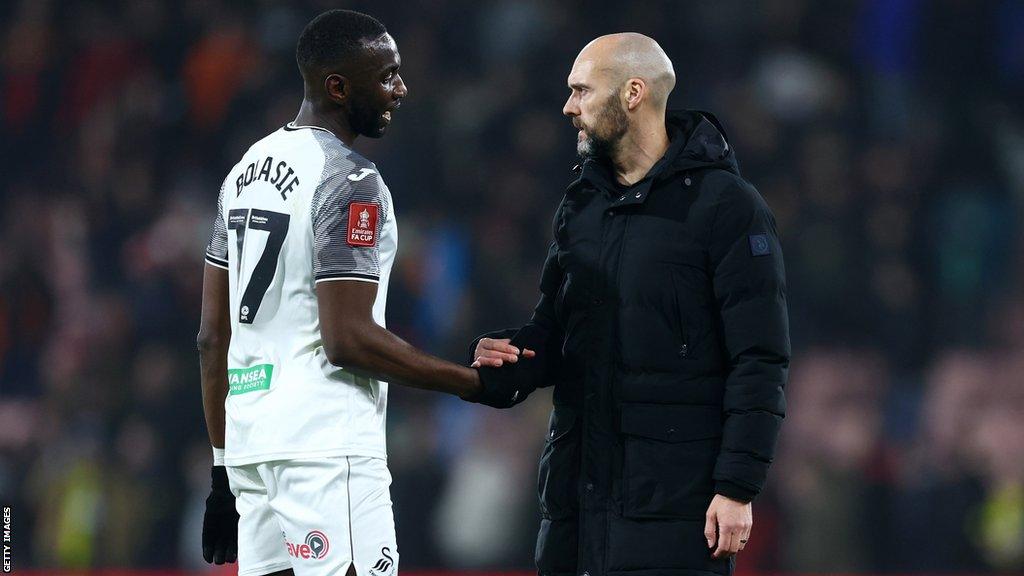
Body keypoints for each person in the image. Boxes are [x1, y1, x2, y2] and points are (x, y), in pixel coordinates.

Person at [196, 10, 526, 576]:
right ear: (338, 87)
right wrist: (470, 384)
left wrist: (224, 472)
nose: (401, 88)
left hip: (254, 448)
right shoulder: (349, 180)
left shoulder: (242, 173)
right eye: (387, 76)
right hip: (326, 447)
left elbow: (211, 338)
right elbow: (347, 340)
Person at [471, 33, 790, 575]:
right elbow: (555, 331)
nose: (568, 107)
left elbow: (759, 358)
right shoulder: (582, 205)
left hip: (673, 506)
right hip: (576, 499)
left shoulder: (726, 207)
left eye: (581, 91)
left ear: (633, 93)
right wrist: (511, 358)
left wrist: (737, 487)